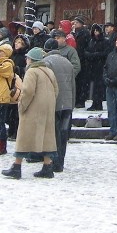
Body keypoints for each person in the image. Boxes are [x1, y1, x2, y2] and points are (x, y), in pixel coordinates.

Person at [1, 47, 59, 179]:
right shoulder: (49, 71)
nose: (26, 59)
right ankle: (47, 166)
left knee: (24, 136)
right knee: (47, 136)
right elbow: (56, 90)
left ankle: (17, 167)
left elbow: (27, 92)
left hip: (33, 108)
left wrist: (21, 106)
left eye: (27, 58)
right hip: (47, 108)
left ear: (32, 59)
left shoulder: (32, 71)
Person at [43, 38, 75, 172]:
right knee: (63, 134)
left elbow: (45, 84)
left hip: (54, 101)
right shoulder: (67, 62)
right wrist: (72, 103)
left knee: (52, 133)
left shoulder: (46, 62)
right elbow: (73, 84)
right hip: (67, 102)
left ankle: (52, 161)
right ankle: (60, 162)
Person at [84, 23, 110, 111]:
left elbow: (106, 53)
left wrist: (95, 55)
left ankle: (98, 103)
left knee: (99, 86)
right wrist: (89, 55)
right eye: (94, 31)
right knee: (94, 86)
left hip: (101, 66)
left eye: (97, 30)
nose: (95, 32)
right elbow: (87, 51)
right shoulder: (91, 41)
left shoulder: (105, 41)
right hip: (93, 66)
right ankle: (94, 103)